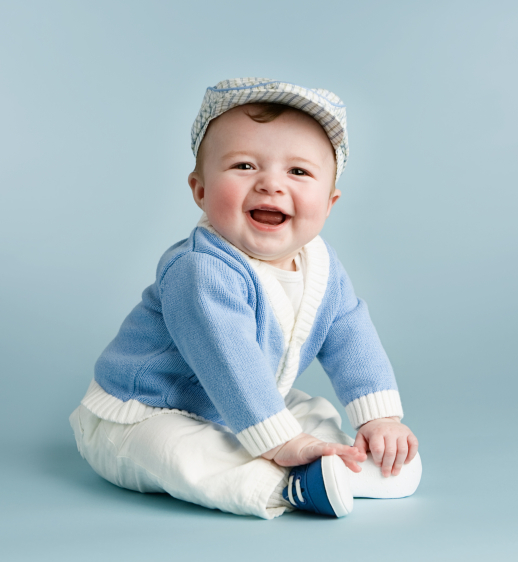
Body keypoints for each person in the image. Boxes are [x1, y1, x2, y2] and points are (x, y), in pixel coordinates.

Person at [69, 78, 421, 519]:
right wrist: (283, 441)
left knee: (314, 411)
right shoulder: (200, 269)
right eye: (244, 166)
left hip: (245, 402)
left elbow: (351, 333)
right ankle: (288, 485)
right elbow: (228, 359)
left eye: (298, 172)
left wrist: (378, 419)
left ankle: (348, 463)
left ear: (329, 202)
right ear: (200, 190)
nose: (271, 184)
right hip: (142, 412)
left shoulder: (321, 264)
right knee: (177, 451)